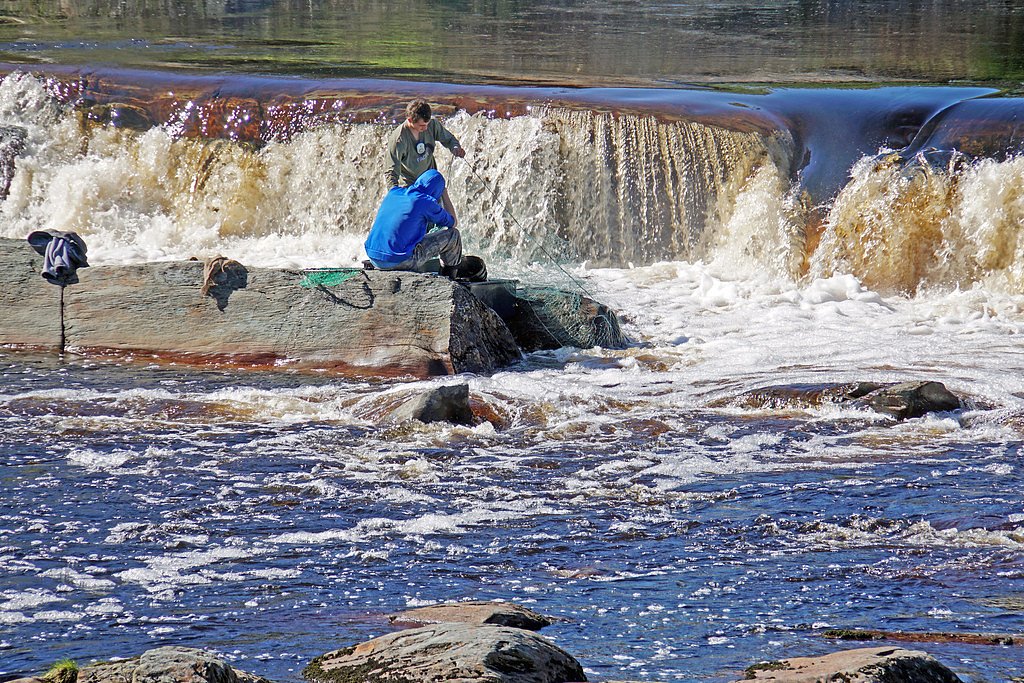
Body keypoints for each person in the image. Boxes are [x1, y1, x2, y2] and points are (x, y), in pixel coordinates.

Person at [364, 169, 463, 277]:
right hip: (398, 262)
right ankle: (450, 279)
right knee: (454, 235)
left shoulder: (393, 192)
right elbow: (453, 222)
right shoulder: (425, 202)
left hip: (373, 257)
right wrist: (444, 194)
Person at [385, 99, 465, 223]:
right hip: (411, 190)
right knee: (418, 225)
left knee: (438, 222)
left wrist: (455, 148)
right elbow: (391, 172)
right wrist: (396, 199)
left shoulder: (431, 125)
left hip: (431, 185)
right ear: (410, 120)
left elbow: (449, 139)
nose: (426, 128)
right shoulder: (398, 140)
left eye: (427, 124)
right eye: (422, 125)